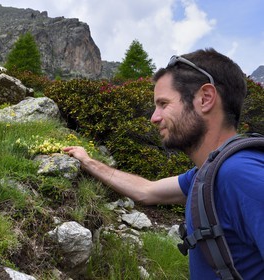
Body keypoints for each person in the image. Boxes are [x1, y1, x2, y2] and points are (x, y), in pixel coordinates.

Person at [63, 48, 264, 279]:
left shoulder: (241, 175)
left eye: (163, 103)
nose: (154, 118)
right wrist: (89, 162)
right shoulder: (207, 175)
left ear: (205, 98)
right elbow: (146, 191)